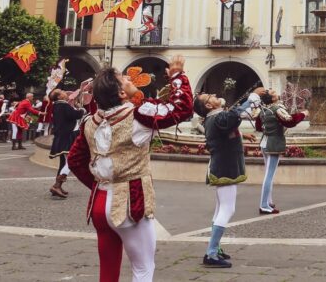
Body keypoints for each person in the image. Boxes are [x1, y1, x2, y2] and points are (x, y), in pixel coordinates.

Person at [67, 56, 192, 282]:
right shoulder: (138, 115)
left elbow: (75, 160)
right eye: (122, 78)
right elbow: (181, 108)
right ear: (122, 94)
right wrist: (177, 76)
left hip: (99, 202)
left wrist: (98, 183)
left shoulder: (89, 121)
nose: (127, 77)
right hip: (129, 203)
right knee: (143, 267)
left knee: (108, 270)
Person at [197, 90, 257, 268]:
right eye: (210, 96)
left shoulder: (214, 118)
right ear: (209, 106)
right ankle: (212, 253)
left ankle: (215, 249)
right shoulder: (217, 118)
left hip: (223, 166)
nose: (214, 95)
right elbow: (230, 118)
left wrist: (242, 134)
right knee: (227, 209)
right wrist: (248, 101)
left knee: (220, 209)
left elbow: (227, 124)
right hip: (225, 168)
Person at [255, 91, 305, 215]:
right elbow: (289, 121)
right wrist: (303, 114)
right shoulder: (276, 108)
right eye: (273, 92)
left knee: (268, 174)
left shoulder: (264, 110)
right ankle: (264, 205)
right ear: (272, 98)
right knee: (269, 176)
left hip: (264, 141)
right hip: (273, 143)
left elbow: (258, 127)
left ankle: (268, 201)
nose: (276, 92)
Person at [48, 88, 86, 199]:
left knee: (63, 162)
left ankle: (58, 186)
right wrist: (82, 110)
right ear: (59, 97)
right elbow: (75, 115)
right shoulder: (63, 106)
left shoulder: (57, 106)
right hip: (67, 137)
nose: (65, 92)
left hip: (61, 136)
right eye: (62, 91)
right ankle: (57, 185)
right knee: (70, 161)